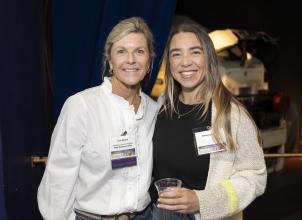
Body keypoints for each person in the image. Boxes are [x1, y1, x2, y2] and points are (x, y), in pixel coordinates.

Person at [37, 17, 158, 220]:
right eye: (121, 51)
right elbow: (59, 178)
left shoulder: (154, 110)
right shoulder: (81, 106)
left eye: (139, 51)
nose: (131, 59)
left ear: (149, 63)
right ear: (110, 62)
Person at [149, 21, 267, 220]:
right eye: (176, 54)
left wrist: (202, 201)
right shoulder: (160, 108)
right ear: (169, 62)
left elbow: (255, 177)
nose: (185, 61)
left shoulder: (231, 115)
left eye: (195, 52)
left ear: (209, 58)